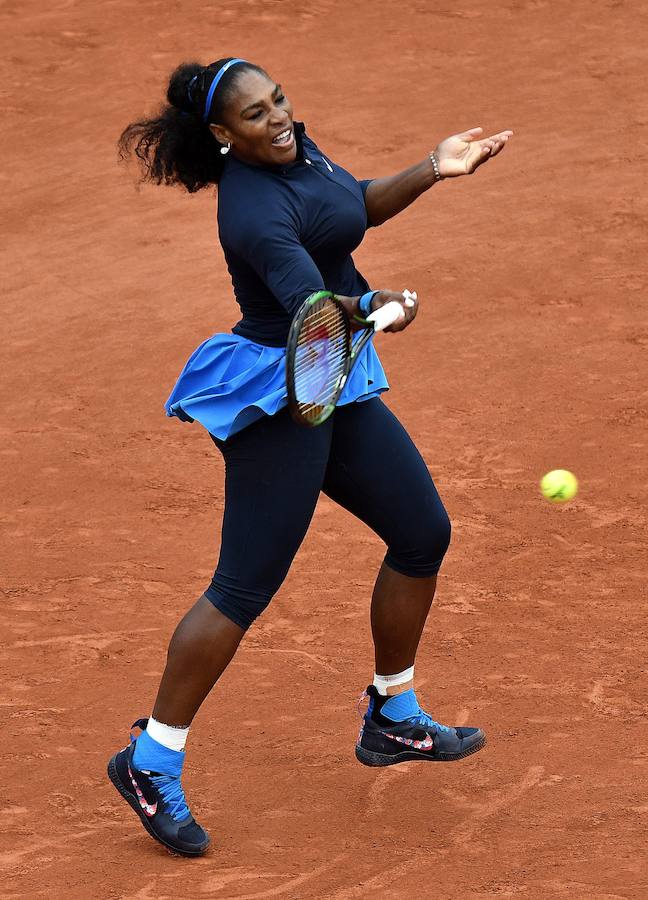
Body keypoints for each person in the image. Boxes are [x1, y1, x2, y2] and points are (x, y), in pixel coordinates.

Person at [108, 56, 513, 857]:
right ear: (224, 137)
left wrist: (434, 168)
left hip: (336, 373)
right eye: (256, 116)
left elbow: (350, 207)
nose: (279, 118)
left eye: (279, 99)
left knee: (422, 531)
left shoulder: (299, 151)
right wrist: (377, 303)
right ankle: (149, 760)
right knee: (242, 587)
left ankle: (393, 716)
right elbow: (313, 304)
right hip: (284, 392)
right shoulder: (250, 212)